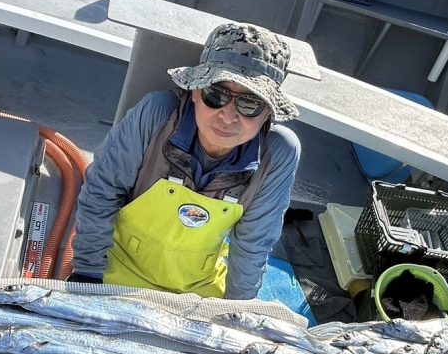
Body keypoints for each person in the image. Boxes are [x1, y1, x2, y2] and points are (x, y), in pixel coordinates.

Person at [69, 22, 301, 299]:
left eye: (250, 104)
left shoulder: (280, 153)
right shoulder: (157, 113)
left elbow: (254, 243)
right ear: (195, 91)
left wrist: (238, 308)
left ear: (267, 114)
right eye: (217, 95)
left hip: (198, 286)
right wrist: (87, 273)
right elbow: (101, 192)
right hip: (115, 267)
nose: (228, 117)